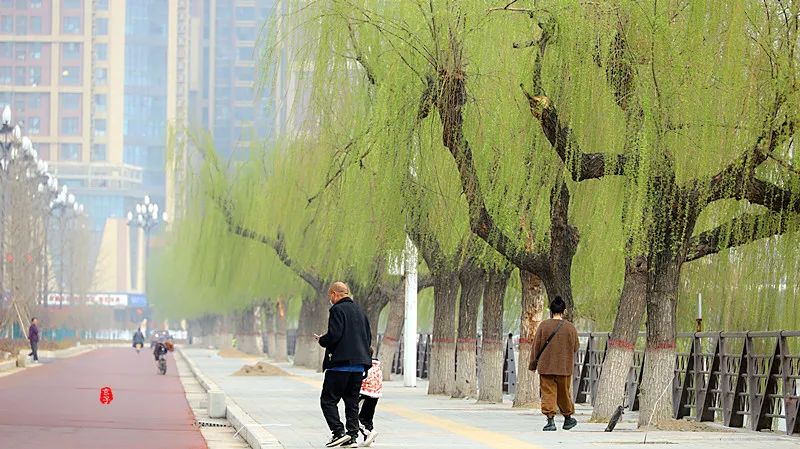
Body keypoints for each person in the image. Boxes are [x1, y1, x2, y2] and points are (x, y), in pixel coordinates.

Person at [315, 282, 372, 448]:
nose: (330, 300)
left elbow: (335, 335)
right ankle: (352, 437)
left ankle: (338, 432)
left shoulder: (337, 310)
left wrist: (322, 340)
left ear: (334, 294)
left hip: (340, 365)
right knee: (351, 402)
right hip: (359, 365)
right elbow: (368, 337)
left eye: (330, 297)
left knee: (328, 400)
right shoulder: (361, 311)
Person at [528, 296, 579, 431]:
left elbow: (536, 347)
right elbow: (576, 347)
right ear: (564, 311)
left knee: (548, 393)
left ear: (551, 310)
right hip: (564, 367)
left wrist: (533, 365)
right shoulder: (570, 328)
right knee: (564, 393)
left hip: (546, 367)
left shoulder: (544, 326)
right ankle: (568, 419)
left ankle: (550, 421)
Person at [358, 347, 382, 447]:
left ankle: (369, 432)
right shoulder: (376, 366)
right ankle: (369, 440)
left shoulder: (364, 366)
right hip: (375, 395)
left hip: (364, 394)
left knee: (356, 417)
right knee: (368, 417)